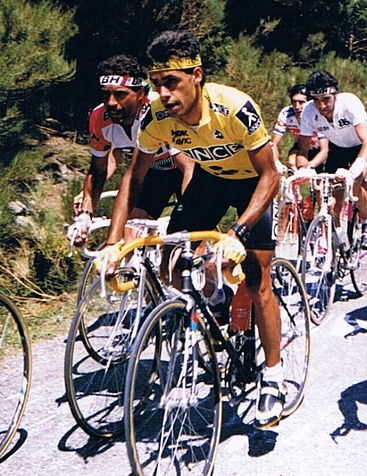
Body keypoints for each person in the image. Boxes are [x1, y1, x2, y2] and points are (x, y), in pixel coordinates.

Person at [103, 30, 284, 429]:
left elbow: (271, 175)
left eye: (172, 82)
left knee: (257, 280)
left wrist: (236, 232)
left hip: (253, 183)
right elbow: (134, 176)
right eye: (156, 84)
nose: (163, 94)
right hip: (211, 180)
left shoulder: (235, 107)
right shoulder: (156, 119)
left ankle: (273, 374)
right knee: (172, 260)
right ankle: (215, 300)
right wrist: (115, 243)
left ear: (196, 75)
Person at [72, 54, 186, 244]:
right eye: (105, 94)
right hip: (154, 173)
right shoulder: (99, 118)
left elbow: (187, 165)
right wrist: (85, 212)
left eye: (120, 94)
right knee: (131, 236)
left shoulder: (160, 109)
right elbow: (100, 168)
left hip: (187, 168)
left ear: (141, 94)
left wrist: (188, 214)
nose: (111, 103)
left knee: (189, 240)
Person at [296, 70, 367, 229]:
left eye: (326, 99)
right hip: (337, 148)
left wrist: (353, 171)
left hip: (361, 147)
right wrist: (304, 168)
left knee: (355, 183)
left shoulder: (349, 103)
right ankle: (339, 239)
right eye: (316, 100)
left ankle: (366, 220)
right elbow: (302, 150)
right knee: (334, 199)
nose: (322, 105)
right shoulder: (309, 111)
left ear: (335, 94)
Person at [271, 84, 328, 171]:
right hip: (303, 146)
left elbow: (324, 150)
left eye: (301, 102)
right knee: (292, 162)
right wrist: (276, 162)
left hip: (323, 147)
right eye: (294, 102)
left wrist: (310, 166)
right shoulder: (286, 114)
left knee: (319, 179)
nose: (297, 107)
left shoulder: (317, 114)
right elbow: (273, 143)